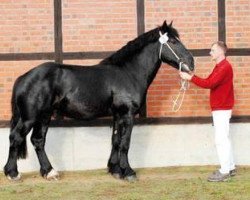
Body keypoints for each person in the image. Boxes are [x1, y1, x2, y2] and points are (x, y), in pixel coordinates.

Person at [180, 41, 236, 182]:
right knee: (225, 139)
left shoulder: (224, 67)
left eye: (212, 50)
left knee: (220, 140)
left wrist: (190, 78)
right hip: (222, 107)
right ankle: (230, 167)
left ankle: (224, 172)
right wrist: (193, 75)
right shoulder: (220, 66)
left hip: (222, 108)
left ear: (220, 52)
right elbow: (209, 80)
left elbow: (209, 84)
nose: (210, 53)